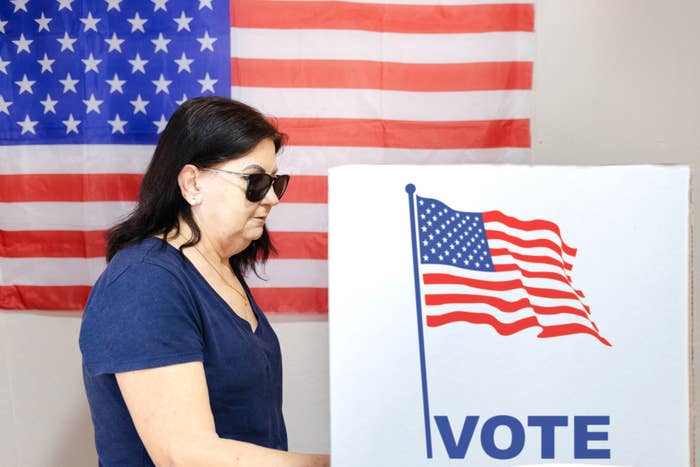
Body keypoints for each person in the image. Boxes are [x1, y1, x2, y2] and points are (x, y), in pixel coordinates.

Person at [79, 96, 330, 467]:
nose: (273, 198)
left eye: (277, 182)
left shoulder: (218, 270)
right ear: (192, 182)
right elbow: (186, 455)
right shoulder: (144, 282)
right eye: (256, 181)